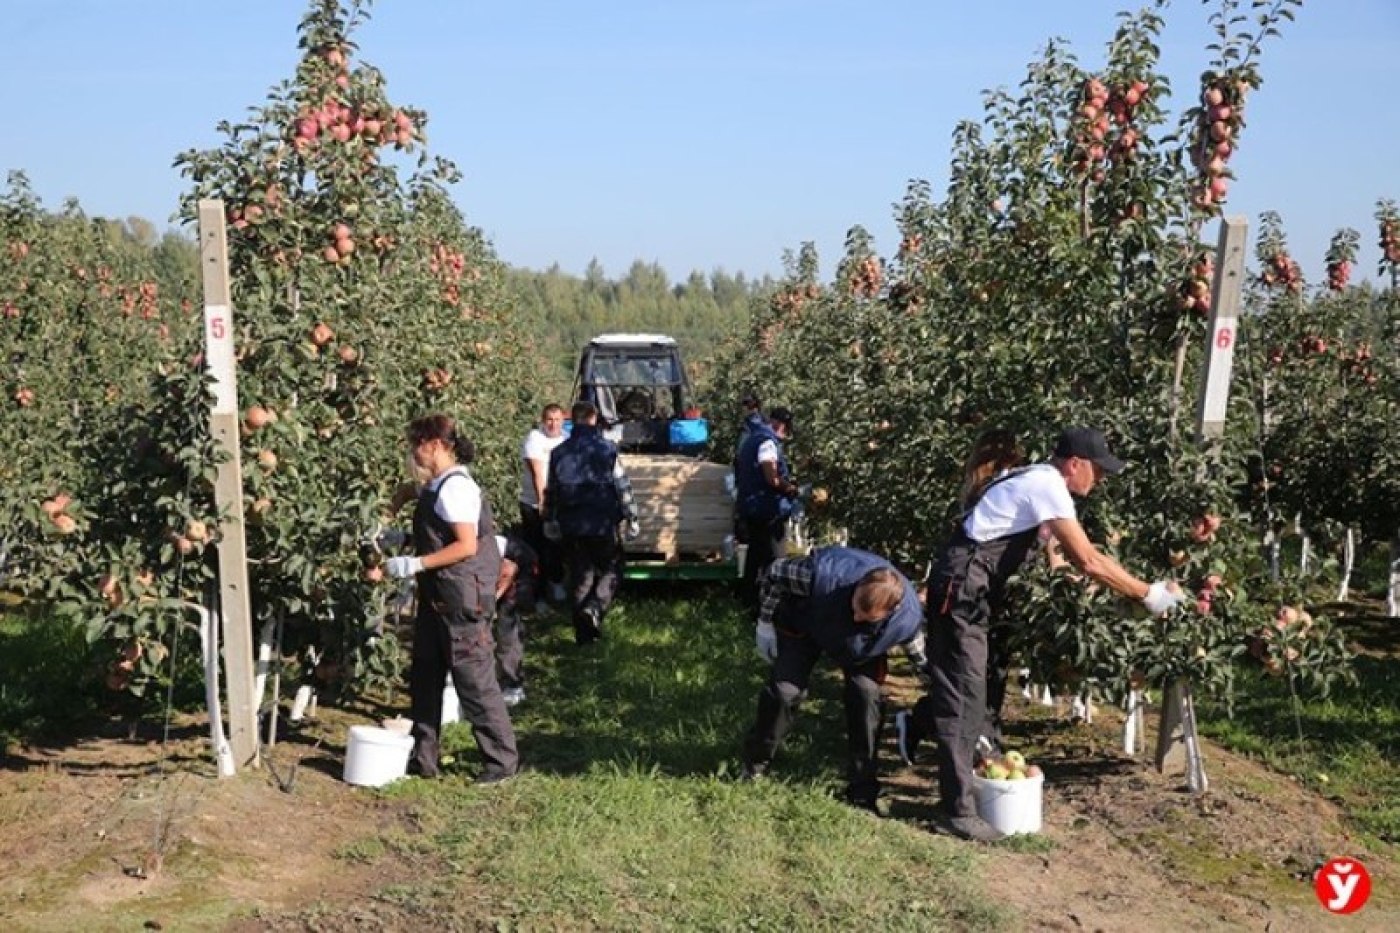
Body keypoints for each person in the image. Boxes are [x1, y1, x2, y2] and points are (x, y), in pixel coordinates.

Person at [897, 426, 1184, 841]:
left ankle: (924, 727)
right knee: (966, 694)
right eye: (1098, 472)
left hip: (969, 590)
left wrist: (1091, 591)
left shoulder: (1037, 481)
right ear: (1075, 465)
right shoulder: (1047, 484)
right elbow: (1088, 558)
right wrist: (1148, 595)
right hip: (963, 591)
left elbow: (1064, 561)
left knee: (971, 690)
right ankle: (955, 810)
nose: (1100, 481)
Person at [740, 546, 927, 813]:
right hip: (805, 621)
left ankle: (862, 790)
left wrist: (946, 700)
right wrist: (765, 623)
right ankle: (754, 765)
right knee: (784, 692)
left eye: (865, 617)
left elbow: (921, 660)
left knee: (866, 695)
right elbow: (774, 573)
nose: (856, 617)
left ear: (890, 612)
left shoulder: (906, 620)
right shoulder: (817, 576)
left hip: (859, 645)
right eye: (855, 608)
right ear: (856, 587)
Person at [384, 414, 518, 784]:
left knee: (474, 682)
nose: (412, 454)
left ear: (436, 445)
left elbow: (465, 544)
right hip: (437, 600)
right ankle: (423, 759)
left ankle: (501, 764)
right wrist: (394, 524)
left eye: (416, 446)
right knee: (424, 678)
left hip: (462, 601)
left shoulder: (457, 488)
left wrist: (416, 563)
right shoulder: (436, 486)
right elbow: (416, 499)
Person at [544, 401, 640, 645]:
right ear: (594, 418)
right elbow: (622, 486)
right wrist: (632, 518)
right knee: (613, 567)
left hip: (571, 525)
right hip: (601, 523)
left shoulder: (558, 453)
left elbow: (551, 490)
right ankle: (595, 608)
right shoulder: (607, 450)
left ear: (571, 420)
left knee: (581, 575)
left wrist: (550, 520)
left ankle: (585, 637)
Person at [734, 406, 804, 610]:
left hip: (752, 507)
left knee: (755, 556)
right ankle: (772, 605)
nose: (786, 435)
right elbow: (771, 477)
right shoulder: (767, 443)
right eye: (786, 429)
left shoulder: (752, 438)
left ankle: (749, 601)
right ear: (781, 425)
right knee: (773, 558)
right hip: (766, 510)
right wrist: (790, 489)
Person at [519, 404, 568, 604]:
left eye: (557, 420)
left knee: (555, 546)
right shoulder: (534, 439)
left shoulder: (566, 439)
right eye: (549, 419)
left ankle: (556, 584)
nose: (553, 424)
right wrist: (543, 503)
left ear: (563, 420)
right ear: (542, 419)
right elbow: (537, 473)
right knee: (536, 548)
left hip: (559, 504)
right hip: (533, 503)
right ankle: (536, 594)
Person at [494, 530, 539, 707]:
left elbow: (508, 571)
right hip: (506, 569)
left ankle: (513, 684)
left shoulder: (484, 546)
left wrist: (494, 598)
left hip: (521, 570)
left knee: (507, 625)